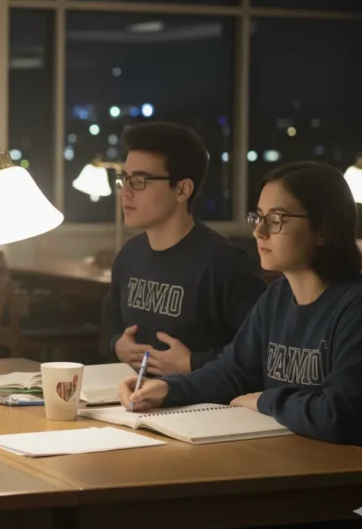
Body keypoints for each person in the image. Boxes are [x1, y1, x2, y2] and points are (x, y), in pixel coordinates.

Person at [122, 161, 362, 458]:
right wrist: (166, 389)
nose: (259, 232)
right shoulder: (278, 295)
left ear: (323, 229)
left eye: (276, 219)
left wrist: (265, 401)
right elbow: (232, 372)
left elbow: (342, 418)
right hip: (294, 462)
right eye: (258, 217)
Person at [104, 121, 268, 377]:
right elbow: (109, 321)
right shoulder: (129, 255)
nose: (124, 193)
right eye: (123, 179)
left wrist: (194, 363)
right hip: (135, 399)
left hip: (204, 408)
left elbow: (265, 351)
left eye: (138, 181)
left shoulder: (225, 264)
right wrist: (117, 344)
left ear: (182, 189)